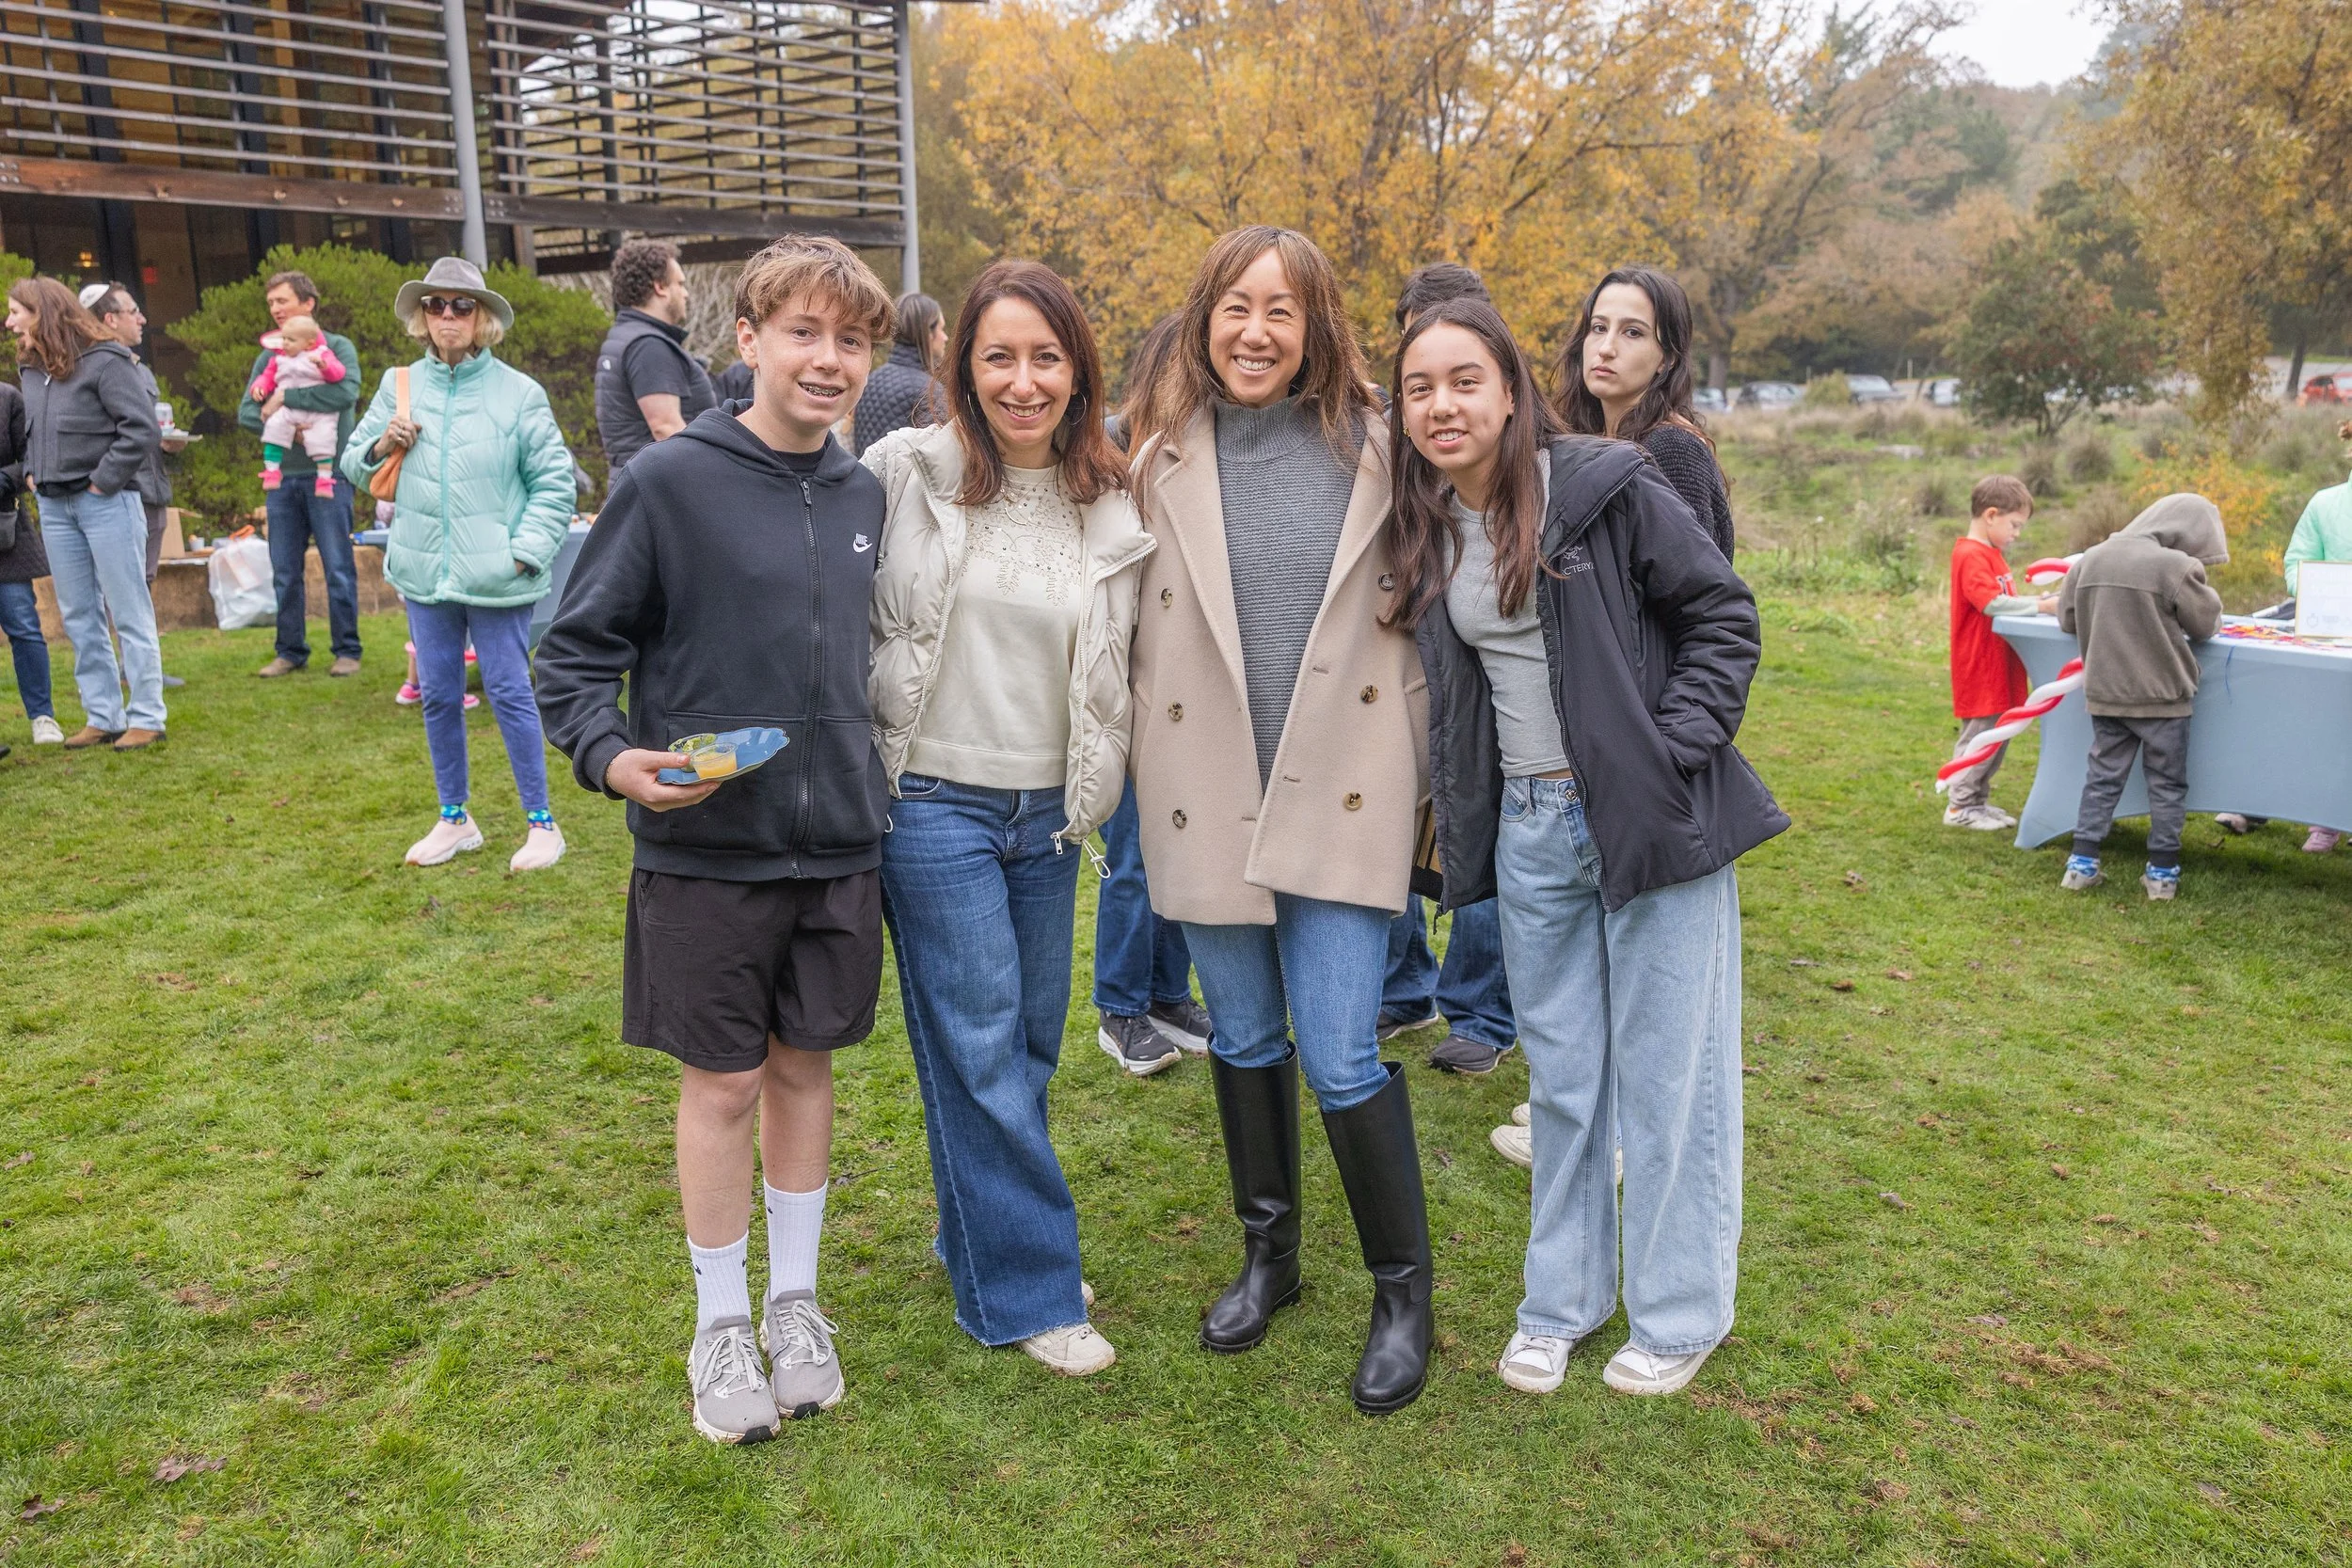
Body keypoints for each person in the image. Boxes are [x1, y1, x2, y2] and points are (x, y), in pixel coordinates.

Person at [536, 236, 895, 1445]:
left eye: (851, 340)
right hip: (705, 850)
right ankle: (721, 1319)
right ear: (745, 340)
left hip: (838, 843)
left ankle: (795, 1302)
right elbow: (572, 652)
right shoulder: (670, 482)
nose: (828, 360)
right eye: (803, 332)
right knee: (726, 1080)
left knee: (804, 1068)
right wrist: (611, 755)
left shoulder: (864, 495)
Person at [1392, 296, 1785, 1400]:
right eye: (1418, 387)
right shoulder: (1433, 522)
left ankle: (1679, 1312)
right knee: (1565, 1080)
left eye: (1463, 380)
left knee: (1669, 1079)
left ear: (1511, 387)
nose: (1441, 404)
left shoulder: (1604, 486)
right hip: (1531, 832)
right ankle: (1561, 1302)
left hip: (1642, 819)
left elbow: (1722, 614)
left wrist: (1670, 751)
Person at [1126, 225, 1435, 1416]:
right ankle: (1272, 1257)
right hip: (1207, 790)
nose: (1254, 333)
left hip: (1347, 788)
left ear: (1316, 327)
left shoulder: (1383, 451)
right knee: (1247, 1037)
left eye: (1281, 311)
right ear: (1203, 319)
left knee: (1344, 1047)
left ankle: (1402, 1294)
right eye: (1234, 308)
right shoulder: (1159, 457)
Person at [864, 260, 1151, 1373]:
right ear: (962, 367)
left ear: (1077, 368)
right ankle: (1028, 1289)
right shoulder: (903, 471)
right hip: (932, 800)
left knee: (1026, 1043)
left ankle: (978, 1230)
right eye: (999, 357)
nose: (1022, 381)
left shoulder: (1112, 496)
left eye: (1045, 357)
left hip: (1052, 811)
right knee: (979, 1041)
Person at [342, 257, 574, 873]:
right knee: (439, 694)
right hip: (425, 573)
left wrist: (523, 553)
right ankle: (454, 818)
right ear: (422, 316)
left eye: (461, 305)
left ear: (483, 317)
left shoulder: (520, 393)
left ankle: (542, 824)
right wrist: (383, 443)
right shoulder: (399, 385)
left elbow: (554, 484)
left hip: (498, 576)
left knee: (510, 691)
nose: (447, 315)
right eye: (435, 304)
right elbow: (353, 465)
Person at [1379, 262, 1518, 1079]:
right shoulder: (1394, 435)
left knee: (1481, 827)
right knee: (1394, 825)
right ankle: (1405, 984)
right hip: (1409, 652)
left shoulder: (1515, 440)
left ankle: (1483, 1010)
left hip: (1487, 667)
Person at [1095, 309, 1212, 1076]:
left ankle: (1169, 992)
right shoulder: (1126, 460)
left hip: (1196, 699)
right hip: (1139, 693)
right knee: (1135, 857)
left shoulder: (1205, 458)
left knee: (1183, 850)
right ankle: (1120, 1006)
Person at [9, 277, 164, 751]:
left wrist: (103, 481)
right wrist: (32, 472)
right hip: (54, 507)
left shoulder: (107, 360)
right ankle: (104, 716)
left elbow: (141, 429)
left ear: (43, 312)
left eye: (16, 312)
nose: (9, 322)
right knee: (78, 615)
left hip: (107, 502)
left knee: (129, 610)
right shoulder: (31, 369)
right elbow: (31, 434)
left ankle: (147, 717)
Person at [2057, 493, 2227, 901]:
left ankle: (2080, 866)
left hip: (2107, 693)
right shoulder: (2176, 566)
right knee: (2166, 786)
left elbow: (2067, 619)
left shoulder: (2092, 558)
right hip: (2163, 699)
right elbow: (2205, 625)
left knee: (2102, 780)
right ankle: (2161, 876)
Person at [1554, 264, 1735, 561]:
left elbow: (1689, 580)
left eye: (1633, 332)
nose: (1606, 348)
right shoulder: (1581, 440)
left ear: (1667, 359)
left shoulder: (1672, 449)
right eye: (1599, 328)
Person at [240, 269, 363, 679]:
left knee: (338, 568)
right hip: (283, 480)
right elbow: (247, 412)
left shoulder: (337, 348)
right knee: (285, 572)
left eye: (283, 301)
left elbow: (344, 392)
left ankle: (347, 650)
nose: (275, 309)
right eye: (271, 303)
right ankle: (290, 651)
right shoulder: (269, 355)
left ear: (308, 304)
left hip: (330, 476)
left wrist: (285, 397)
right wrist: (290, 428)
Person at [1943, 475, 2055, 831]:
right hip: (1980, 666)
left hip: (2000, 666)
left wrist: (2036, 603)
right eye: (2015, 525)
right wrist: (2042, 606)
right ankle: (1960, 806)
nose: (2017, 534)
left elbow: (2004, 601)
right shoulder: (1970, 554)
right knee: (1981, 736)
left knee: (1998, 735)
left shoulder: (1992, 555)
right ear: (1991, 515)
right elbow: (1991, 603)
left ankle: (1977, 801)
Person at [2258, 430, 2352, 851]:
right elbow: (2297, 561)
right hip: (2330, 634)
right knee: (2328, 725)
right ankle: (2325, 821)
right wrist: (2316, 590)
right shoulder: (2325, 503)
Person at [595, 239, 715, 473]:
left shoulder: (626, 335)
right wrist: (708, 475)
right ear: (660, 287)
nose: (686, 294)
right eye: (680, 284)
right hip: (660, 485)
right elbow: (665, 428)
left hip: (639, 479)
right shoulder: (648, 345)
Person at [0, 371, 58, 746]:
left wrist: (5, 480)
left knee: (23, 625)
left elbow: (30, 458)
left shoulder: (8, 399)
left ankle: (42, 716)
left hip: (6, 536)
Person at [247, 316, 347, 493]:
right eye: (284, 338)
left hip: (318, 412)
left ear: (309, 343)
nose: (285, 343)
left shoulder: (322, 354)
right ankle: (271, 471)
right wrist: (259, 387)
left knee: (324, 437)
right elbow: (267, 376)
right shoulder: (278, 358)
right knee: (273, 426)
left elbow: (338, 373)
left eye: (291, 340)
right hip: (288, 409)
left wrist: (324, 366)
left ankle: (324, 480)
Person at [850, 291, 947, 455]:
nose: (945, 337)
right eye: (941, 329)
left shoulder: (871, 380)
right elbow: (937, 459)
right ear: (927, 332)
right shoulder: (930, 391)